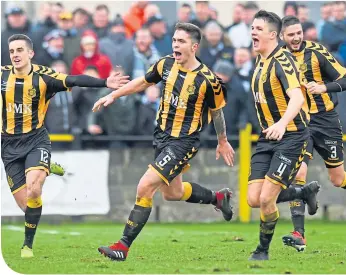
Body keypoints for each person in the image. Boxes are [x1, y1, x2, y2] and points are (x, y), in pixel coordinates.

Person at [93, 22, 235, 261]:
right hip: (161, 136)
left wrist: (222, 141)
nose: (175, 45)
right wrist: (114, 94)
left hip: (183, 142)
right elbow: (143, 82)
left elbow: (217, 112)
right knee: (173, 193)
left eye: (181, 42)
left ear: (194, 46)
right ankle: (218, 198)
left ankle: (123, 246)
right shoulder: (166, 63)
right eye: (174, 40)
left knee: (145, 186)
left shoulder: (208, 80)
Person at [1, 34, 129, 258]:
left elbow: (74, 79)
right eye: (12, 51)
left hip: (35, 139)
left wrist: (104, 82)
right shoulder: (2, 75)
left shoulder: (44, 76)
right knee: (26, 206)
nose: (15, 55)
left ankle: (27, 246)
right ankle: (47, 166)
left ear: (30, 53)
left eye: (20, 50)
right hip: (9, 145)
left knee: (34, 188)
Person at [246, 10, 320, 261]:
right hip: (268, 138)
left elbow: (298, 97)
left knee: (267, 198)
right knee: (253, 199)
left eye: (258, 28)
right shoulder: (260, 60)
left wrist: (282, 122)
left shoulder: (283, 61)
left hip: (291, 137)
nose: (252, 32)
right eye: (252, 27)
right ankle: (302, 192)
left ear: (272, 34)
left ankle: (262, 251)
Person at [280, 16, 346, 252]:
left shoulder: (317, 52)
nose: (296, 37)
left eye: (299, 33)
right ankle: (299, 235)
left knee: (338, 179)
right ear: (282, 37)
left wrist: (323, 87)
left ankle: (310, 196)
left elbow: (344, 78)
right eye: (291, 34)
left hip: (326, 120)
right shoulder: (278, 58)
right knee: (298, 171)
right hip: (300, 122)